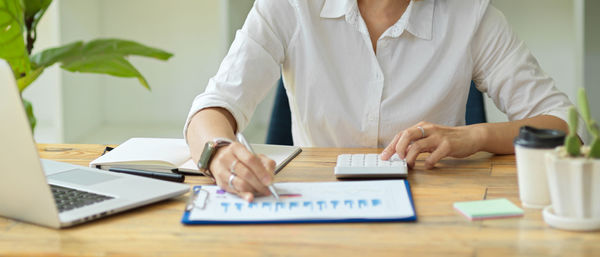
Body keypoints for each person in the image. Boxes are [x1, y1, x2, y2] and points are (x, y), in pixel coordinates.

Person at [184, 0, 575, 201]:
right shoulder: (290, 6)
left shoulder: (471, 15)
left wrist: (474, 137)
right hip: (317, 205)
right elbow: (213, 108)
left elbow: (559, 122)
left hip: (434, 214)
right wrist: (218, 153)